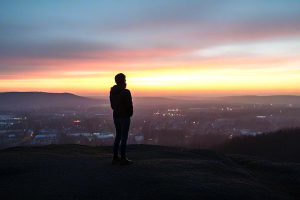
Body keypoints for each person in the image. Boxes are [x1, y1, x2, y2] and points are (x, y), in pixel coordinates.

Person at [110, 73, 134, 165]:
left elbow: (112, 106)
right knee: (124, 138)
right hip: (124, 117)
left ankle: (115, 157)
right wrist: (130, 113)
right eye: (125, 79)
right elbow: (129, 105)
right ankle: (123, 158)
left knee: (118, 137)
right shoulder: (126, 92)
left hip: (116, 116)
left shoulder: (112, 92)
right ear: (123, 80)